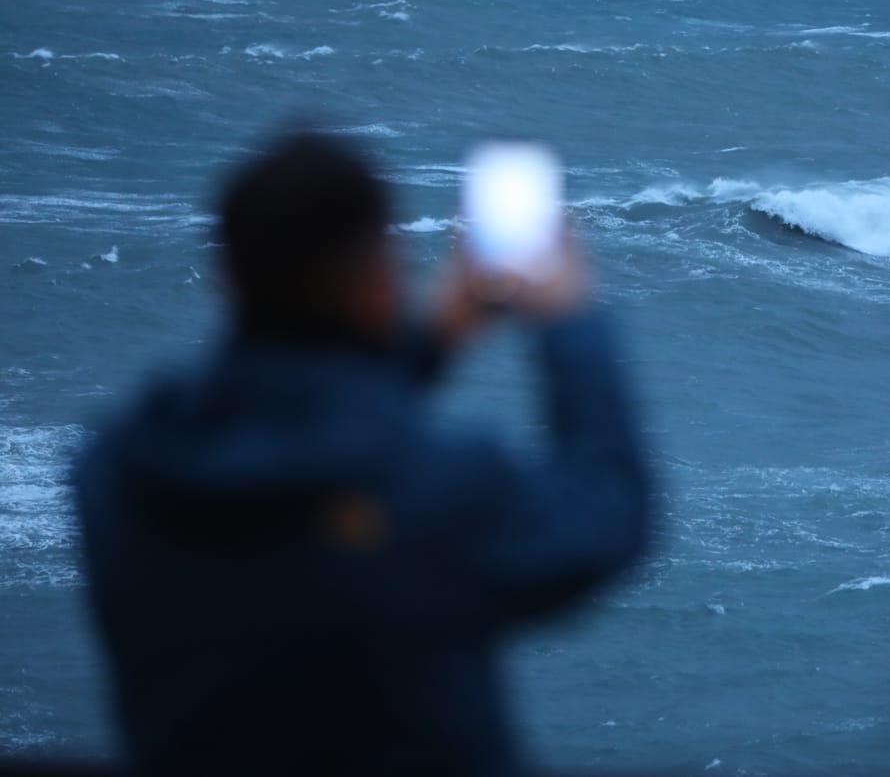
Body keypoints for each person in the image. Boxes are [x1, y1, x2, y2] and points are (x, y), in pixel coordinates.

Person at [72, 131, 651, 776]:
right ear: (379, 283)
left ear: (228, 277)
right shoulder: (439, 488)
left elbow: (292, 430)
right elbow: (605, 516)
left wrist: (435, 338)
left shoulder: (118, 473)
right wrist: (567, 319)